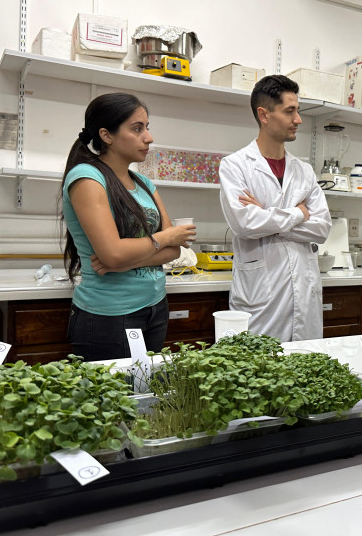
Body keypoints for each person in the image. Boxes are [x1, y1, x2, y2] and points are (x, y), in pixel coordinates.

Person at [60, 92, 196, 360]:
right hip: (110, 315)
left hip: (156, 306)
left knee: (148, 395)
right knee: (115, 400)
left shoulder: (145, 183)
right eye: (137, 128)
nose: (148, 137)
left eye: (147, 127)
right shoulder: (87, 178)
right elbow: (116, 253)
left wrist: (123, 261)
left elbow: (174, 252)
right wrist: (164, 237)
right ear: (106, 135)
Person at [219, 75, 332, 341]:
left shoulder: (303, 170)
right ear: (264, 114)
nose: (298, 120)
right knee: (259, 374)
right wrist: (298, 214)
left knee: (304, 372)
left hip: (304, 297)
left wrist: (268, 218)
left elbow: (323, 228)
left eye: (298, 111)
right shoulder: (235, 165)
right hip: (260, 300)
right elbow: (245, 225)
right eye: (289, 111)